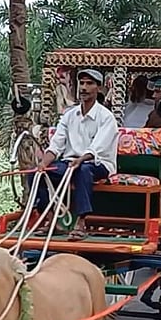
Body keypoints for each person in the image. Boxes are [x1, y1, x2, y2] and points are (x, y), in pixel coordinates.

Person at [33, 68, 119, 241]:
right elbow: (56, 145)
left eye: (89, 83)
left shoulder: (106, 117)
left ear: (99, 88)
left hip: (98, 164)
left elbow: (98, 148)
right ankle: (51, 220)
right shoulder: (69, 115)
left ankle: (81, 222)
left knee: (84, 170)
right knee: (38, 175)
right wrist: (44, 163)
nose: (84, 88)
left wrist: (80, 160)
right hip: (71, 163)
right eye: (82, 83)